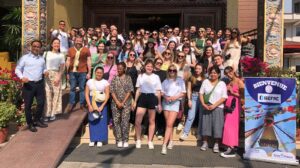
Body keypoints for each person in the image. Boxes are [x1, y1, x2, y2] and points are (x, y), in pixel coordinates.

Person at [15, 39, 48, 132]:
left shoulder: (42, 59)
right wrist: (21, 77)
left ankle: (37, 120)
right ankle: (30, 124)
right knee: (28, 105)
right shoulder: (25, 58)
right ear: (31, 47)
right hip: (29, 84)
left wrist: (45, 72)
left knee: (41, 103)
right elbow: (17, 69)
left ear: (40, 48)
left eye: (38, 46)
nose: (36, 48)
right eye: (34, 46)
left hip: (40, 83)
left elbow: (44, 69)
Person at [132, 60, 162, 149]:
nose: (149, 68)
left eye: (151, 66)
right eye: (148, 66)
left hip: (152, 98)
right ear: (145, 67)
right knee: (137, 121)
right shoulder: (140, 76)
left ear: (153, 68)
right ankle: (138, 139)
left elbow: (158, 91)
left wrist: (159, 103)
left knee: (152, 121)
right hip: (142, 98)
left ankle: (150, 141)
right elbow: (138, 90)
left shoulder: (156, 77)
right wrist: (135, 101)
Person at [199, 65, 227, 153]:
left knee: (217, 125)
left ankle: (216, 144)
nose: (213, 74)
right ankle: (205, 142)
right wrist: (203, 104)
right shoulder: (205, 82)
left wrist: (214, 105)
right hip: (206, 106)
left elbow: (224, 97)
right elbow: (201, 93)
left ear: (219, 74)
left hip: (218, 107)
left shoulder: (222, 83)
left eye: (215, 73)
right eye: (211, 73)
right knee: (206, 124)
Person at [161, 64, 186, 155]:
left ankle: (164, 145)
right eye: (170, 70)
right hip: (166, 103)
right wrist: (165, 97)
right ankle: (171, 140)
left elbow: (183, 92)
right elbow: (161, 92)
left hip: (175, 103)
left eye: (174, 70)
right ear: (168, 71)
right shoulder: (165, 81)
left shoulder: (180, 80)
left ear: (176, 71)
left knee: (169, 124)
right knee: (168, 124)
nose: (172, 72)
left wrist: (175, 97)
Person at [220, 66, 244, 158]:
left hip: (235, 106)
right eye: (226, 74)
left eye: (229, 72)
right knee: (228, 126)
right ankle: (231, 146)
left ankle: (232, 148)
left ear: (233, 71)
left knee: (230, 126)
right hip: (228, 106)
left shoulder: (239, 81)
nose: (228, 75)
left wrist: (232, 92)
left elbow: (243, 95)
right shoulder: (229, 82)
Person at [110, 62, 134, 148]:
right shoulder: (114, 78)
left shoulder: (128, 78)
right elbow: (112, 91)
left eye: (121, 67)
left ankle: (125, 140)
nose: (119, 69)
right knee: (116, 121)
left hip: (126, 103)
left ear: (124, 68)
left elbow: (129, 91)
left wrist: (123, 102)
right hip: (115, 103)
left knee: (125, 121)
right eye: (118, 68)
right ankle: (119, 140)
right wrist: (117, 102)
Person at [85, 67, 110, 147]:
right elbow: (86, 94)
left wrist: (102, 106)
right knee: (93, 120)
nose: (99, 74)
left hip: (102, 103)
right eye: (97, 72)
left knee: (101, 122)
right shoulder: (89, 81)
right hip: (92, 102)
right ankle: (93, 139)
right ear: (95, 73)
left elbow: (107, 95)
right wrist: (89, 105)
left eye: (100, 73)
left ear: (103, 74)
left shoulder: (105, 82)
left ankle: (100, 140)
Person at [66, 36, 92, 112]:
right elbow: (68, 61)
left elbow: (89, 61)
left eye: (80, 41)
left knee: (82, 88)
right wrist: (67, 72)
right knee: (72, 88)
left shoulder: (86, 50)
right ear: (75, 41)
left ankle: (82, 104)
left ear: (82, 42)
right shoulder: (70, 50)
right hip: (72, 71)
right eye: (77, 40)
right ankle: (71, 103)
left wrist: (89, 72)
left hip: (83, 71)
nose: (78, 42)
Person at [180, 63, 205, 141]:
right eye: (196, 68)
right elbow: (189, 89)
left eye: (199, 68)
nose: (197, 70)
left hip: (202, 98)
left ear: (202, 70)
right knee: (191, 116)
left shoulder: (205, 78)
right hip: (193, 97)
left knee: (201, 116)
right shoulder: (192, 77)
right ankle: (185, 133)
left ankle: (200, 133)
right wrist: (189, 100)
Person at [43, 38, 65, 121]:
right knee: (47, 94)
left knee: (56, 94)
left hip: (56, 74)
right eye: (55, 43)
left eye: (58, 43)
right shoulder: (46, 53)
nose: (56, 45)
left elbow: (62, 67)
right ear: (51, 44)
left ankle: (53, 113)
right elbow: (42, 64)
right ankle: (47, 113)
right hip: (47, 74)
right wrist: (44, 71)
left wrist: (59, 76)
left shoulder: (61, 55)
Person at [153, 58, 167, 140]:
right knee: (151, 115)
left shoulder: (164, 73)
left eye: (160, 63)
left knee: (160, 114)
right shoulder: (151, 72)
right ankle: (151, 131)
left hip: (160, 96)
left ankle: (160, 131)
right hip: (151, 95)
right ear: (154, 63)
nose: (159, 64)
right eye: (157, 62)